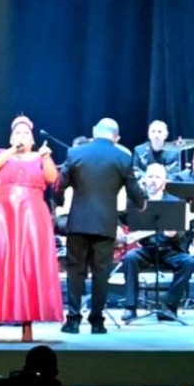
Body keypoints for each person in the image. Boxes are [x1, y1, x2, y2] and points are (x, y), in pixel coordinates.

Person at [0, 116, 64, 343]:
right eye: (17, 133)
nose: (21, 137)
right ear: (10, 137)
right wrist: (11, 150)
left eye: (25, 133)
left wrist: (46, 157)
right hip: (4, 216)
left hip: (32, 217)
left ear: (32, 139)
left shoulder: (40, 156)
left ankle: (27, 324)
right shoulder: (0, 155)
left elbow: (53, 179)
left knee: (28, 267)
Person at [59, 118, 145, 335]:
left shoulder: (75, 153)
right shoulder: (123, 157)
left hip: (78, 223)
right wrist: (142, 204)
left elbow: (60, 185)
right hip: (105, 224)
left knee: (75, 272)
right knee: (101, 274)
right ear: (116, 137)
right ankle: (97, 321)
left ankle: (73, 320)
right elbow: (134, 190)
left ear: (93, 133)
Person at [120, 164, 194, 321]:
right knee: (130, 257)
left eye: (157, 177)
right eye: (150, 177)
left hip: (170, 250)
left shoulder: (175, 203)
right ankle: (130, 307)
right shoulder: (139, 202)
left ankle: (169, 307)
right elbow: (125, 221)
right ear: (145, 180)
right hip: (147, 250)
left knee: (189, 262)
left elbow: (183, 234)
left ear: (164, 181)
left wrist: (174, 234)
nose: (153, 181)